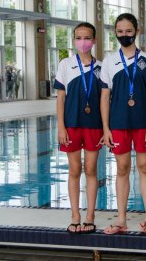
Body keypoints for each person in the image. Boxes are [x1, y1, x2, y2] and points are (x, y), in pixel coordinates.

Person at [100, 13, 146, 235]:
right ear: (115, 32)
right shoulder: (109, 61)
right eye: (120, 31)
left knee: (144, 167)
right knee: (121, 169)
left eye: (129, 31)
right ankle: (121, 218)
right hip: (119, 122)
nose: (124, 35)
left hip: (143, 122)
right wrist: (106, 128)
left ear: (137, 32)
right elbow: (105, 97)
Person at [54, 22, 103, 234]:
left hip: (94, 125)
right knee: (74, 170)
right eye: (78, 38)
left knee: (91, 170)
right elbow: (60, 99)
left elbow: (105, 100)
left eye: (86, 38)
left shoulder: (101, 67)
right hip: (72, 124)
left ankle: (90, 215)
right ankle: (75, 215)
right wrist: (60, 127)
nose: (82, 42)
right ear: (74, 40)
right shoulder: (66, 64)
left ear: (94, 41)